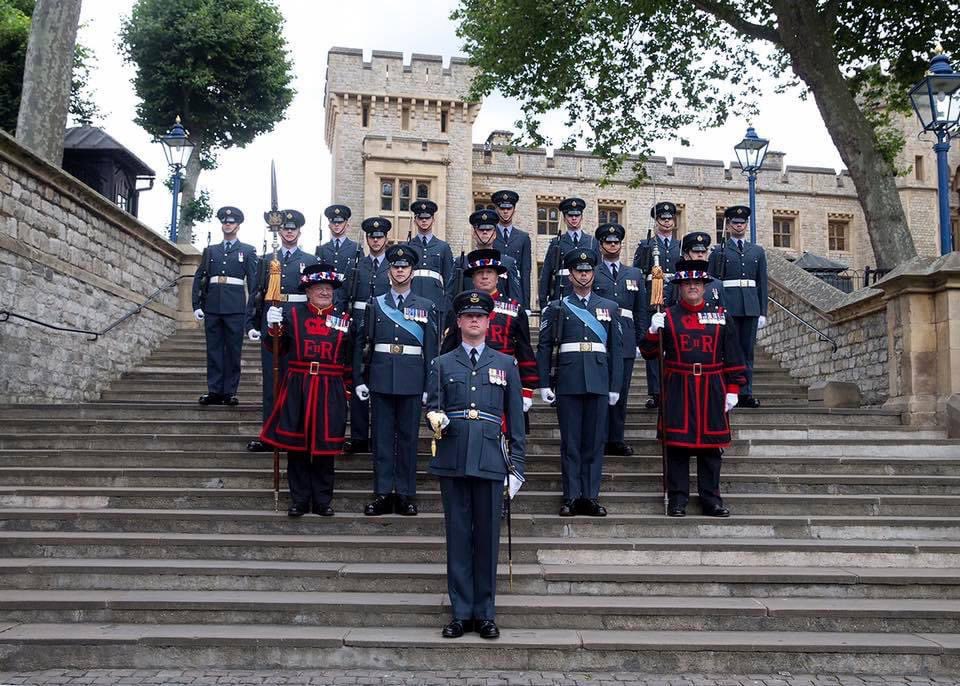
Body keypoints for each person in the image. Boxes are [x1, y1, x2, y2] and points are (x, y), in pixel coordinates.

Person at [426, 289, 526, 640]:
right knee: (457, 536)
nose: (473, 320)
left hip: (489, 459)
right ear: (459, 321)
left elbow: (516, 421)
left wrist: (517, 468)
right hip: (453, 457)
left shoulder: (506, 364)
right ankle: (460, 612)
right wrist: (433, 417)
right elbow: (433, 407)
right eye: (468, 316)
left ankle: (485, 613)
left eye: (480, 316)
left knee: (487, 538)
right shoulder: (441, 363)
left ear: (488, 322)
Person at [641, 259, 747, 517]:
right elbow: (648, 352)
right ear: (679, 286)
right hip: (678, 386)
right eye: (687, 283)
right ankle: (678, 499)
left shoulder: (720, 316)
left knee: (711, 448)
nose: (692, 287)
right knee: (677, 446)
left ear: (704, 286)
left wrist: (733, 388)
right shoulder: (667, 315)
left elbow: (733, 353)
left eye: (696, 283)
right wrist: (654, 331)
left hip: (712, 386)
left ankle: (711, 499)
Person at [258, 263, 354, 517]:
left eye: (328, 288)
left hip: (329, 388)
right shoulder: (293, 315)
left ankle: (322, 500)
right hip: (298, 386)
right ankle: (299, 499)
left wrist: (348, 388)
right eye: (318, 288)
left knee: (325, 448)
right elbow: (276, 349)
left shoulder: (344, 320)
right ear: (308, 291)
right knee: (297, 447)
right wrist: (273, 329)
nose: (324, 292)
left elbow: (349, 357)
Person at [536, 249, 623, 517]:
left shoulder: (609, 307)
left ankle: (591, 496)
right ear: (570, 274)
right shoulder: (557, 307)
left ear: (594, 272)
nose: (583, 274)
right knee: (571, 442)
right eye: (578, 270)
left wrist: (614, 386)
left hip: (598, 381)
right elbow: (544, 346)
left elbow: (616, 350)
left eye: (587, 270)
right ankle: (571, 495)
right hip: (569, 380)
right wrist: (543, 383)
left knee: (594, 442)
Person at [354, 243, 438, 516]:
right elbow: (362, 344)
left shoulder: (426, 306)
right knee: (380, 439)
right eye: (395, 266)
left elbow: (432, 352)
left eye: (405, 266)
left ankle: (404, 494)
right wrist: (360, 378)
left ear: (413, 271)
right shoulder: (375, 304)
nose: (400, 270)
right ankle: (382, 493)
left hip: (412, 381)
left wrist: (429, 387)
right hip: (380, 378)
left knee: (407, 439)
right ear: (389, 270)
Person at [245, 210, 318, 452]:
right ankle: (270, 434)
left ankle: (293, 433)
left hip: (298, 325)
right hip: (272, 321)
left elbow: (315, 296)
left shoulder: (309, 260)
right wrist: (253, 323)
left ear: (299, 231)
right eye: (285, 228)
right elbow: (256, 292)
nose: (289, 232)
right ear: (280, 231)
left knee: (296, 382)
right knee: (271, 382)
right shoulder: (268, 259)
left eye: (293, 228)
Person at [441, 248, 539, 417]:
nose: (485, 276)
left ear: (497, 276)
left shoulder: (515, 309)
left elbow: (524, 350)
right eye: (480, 272)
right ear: (472, 277)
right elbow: (448, 350)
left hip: (503, 379)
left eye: (489, 272)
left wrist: (527, 389)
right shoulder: (459, 308)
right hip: (464, 379)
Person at [191, 206, 258, 406]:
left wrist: (251, 311)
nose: (227, 225)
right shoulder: (212, 250)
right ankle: (214, 390)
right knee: (214, 349)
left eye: (231, 222)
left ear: (238, 226)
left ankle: (229, 391)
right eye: (225, 222)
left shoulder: (247, 251)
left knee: (233, 350)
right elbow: (200, 277)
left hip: (235, 307)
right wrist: (197, 304)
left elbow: (253, 283)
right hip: (212, 306)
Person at [592, 223, 647, 456]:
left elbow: (641, 310)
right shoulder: (592, 272)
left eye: (616, 242)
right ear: (601, 245)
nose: (612, 245)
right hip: (601, 335)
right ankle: (599, 438)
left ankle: (616, 438)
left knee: (621, 390)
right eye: (608, 242)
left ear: (620, 245)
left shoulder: (633, 273)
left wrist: (640, 340)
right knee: (600, 389)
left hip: (625, 337)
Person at [707, 206, 768, 408]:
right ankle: (727, 389)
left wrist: (762, 312)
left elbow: (762, 283)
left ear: (746, 225)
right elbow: (712, 282)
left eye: (742, 223)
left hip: (750, 306)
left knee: (747, 350)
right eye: (735, 222)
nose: (739, 226)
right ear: (728, 225)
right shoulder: (719, 251)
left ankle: (746, 392)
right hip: (728, 306)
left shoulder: (757, 251)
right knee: (728, 351)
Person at [342, 217, 392, 455]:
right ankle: (360, 436)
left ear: (386, 239)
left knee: (382, 382)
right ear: (367, 239)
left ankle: (381, 436)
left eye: (379, 236)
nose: (375, 240)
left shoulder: (394, 266)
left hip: (383, 330)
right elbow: (344, 298)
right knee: (357, 379)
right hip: (358, 329)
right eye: (372, 237)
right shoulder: (356, 266)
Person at [633, 201, 682, 409]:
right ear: (657, 221)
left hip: (676, 294)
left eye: (670, 218)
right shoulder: (646, 245)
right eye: (663, 218)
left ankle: (672, 389)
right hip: (654, 295)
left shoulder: (680, 246)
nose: (667, 222)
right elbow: (637, 273)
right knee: (654, 342)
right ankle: (655, 391)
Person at [537, 197, 597, 310]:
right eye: (570, 215)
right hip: (562, 293)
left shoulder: (592, 242)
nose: (574, 218)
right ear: (564, 218)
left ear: (582, 217)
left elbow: (597, 271)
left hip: (587, 296)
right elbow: (546, 273)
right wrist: (543, 303)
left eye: (577, 215)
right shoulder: (557, 242)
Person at [451, 209, 522, 301]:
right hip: (471, 312)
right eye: (481, 229)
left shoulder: (507, 263)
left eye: (489, 229)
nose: (485, 232)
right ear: (474, 234)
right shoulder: (462, 262)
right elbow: (451, 295)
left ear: (495, 234)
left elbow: (515, 296)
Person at [406, 199, 454, 307]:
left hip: (436, 300)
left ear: (433, 220)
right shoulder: (408, 247)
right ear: (415, 221)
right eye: (420, 218)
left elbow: (449, 280)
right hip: (412, 299)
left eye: (427, 218)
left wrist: (446, 306)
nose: (424, 221)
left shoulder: (443, 247)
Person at [491, 190, 533, 310]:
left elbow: (526, 272)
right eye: (502, 208)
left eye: (509, 208)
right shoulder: (489, 234)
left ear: (514, 210)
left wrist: (526, 304)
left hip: (515, 290)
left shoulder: (523, 238)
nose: (505, 211)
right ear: (497, 209)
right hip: (495, 289)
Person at [317, 204, 360, 309]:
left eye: (340, 222)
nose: (336, 225)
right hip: (325, 300)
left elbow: (358, 276)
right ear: (329, 225)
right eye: (333, 222)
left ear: (347, 224)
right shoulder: (322, 249)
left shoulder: (356, 248)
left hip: (346, 301)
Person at [670, 231, 724, 307]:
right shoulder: (675, 283)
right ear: (686, 256)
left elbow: (722, 313)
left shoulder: (717, 284)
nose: (700, 255)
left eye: (703, 252)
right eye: (696, 251)